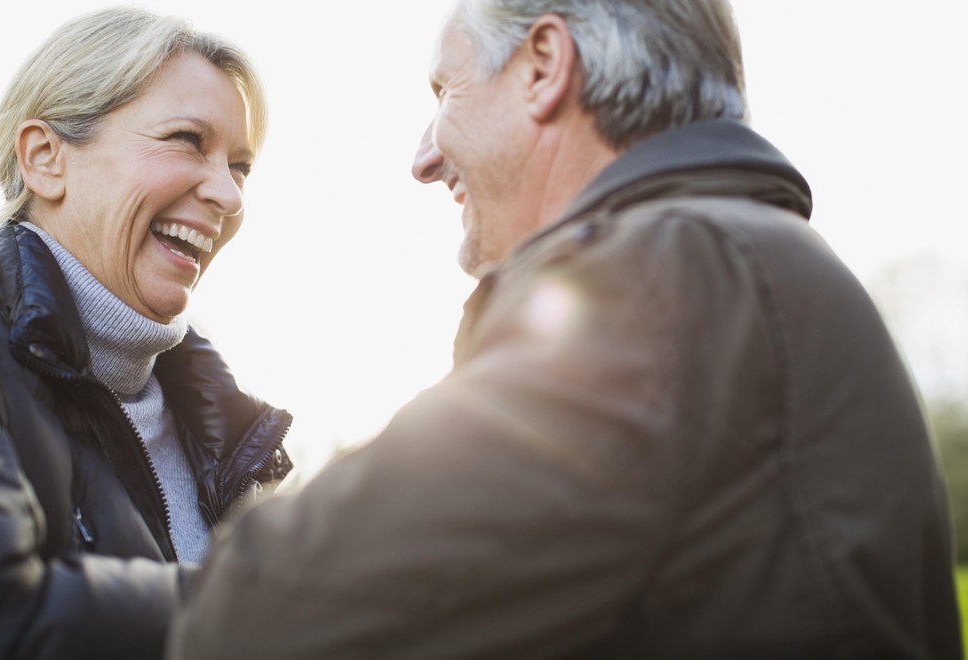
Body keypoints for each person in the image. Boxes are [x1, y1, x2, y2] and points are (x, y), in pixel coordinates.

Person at [167, 0, 962, 658]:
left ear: (544, 65)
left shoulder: (663, 277)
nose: (423, 157)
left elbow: (268, 614)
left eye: (444, 90)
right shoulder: (745, 262)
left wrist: (52, 600)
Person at [0, 7, 293, 660]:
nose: (229, 195)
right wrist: (286, 599)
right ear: (44, 159)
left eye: (240, 166)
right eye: (187, 139)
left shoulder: (226, 434)